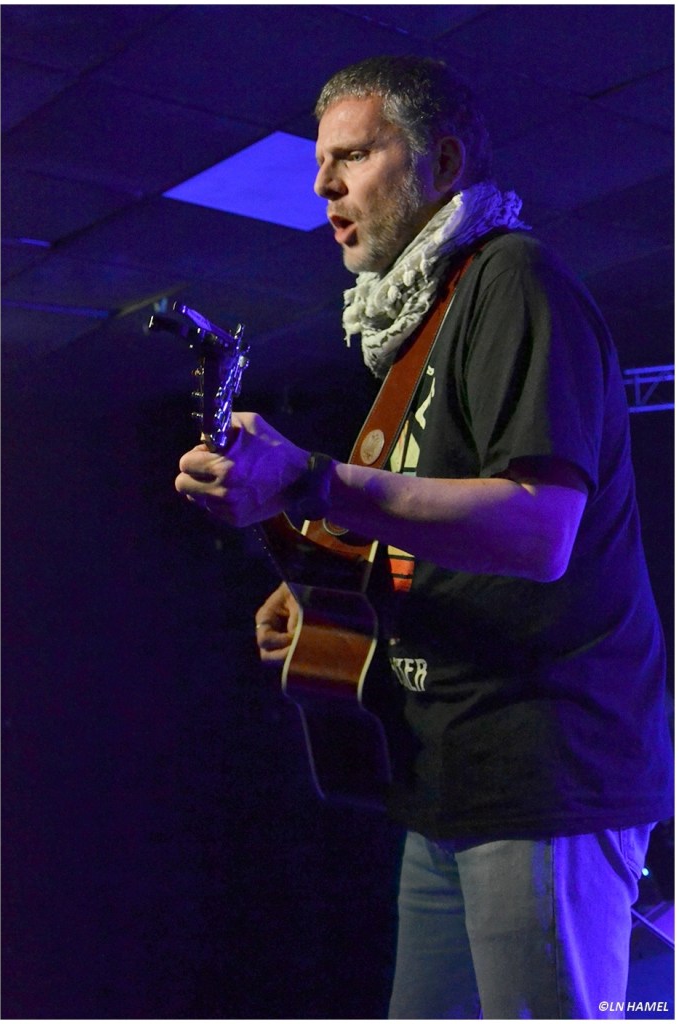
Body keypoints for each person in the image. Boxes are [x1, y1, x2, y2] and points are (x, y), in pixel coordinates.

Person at [175, 56, 673, 1020]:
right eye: (320, 163)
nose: (323, 187)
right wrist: (322, 585)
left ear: (441, 162)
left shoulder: (513, 279)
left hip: (542, 768)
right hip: (444, 772)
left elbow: (539, 530)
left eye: (353, 156)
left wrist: (310, 479)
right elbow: (426, 531)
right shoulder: (419, 324)